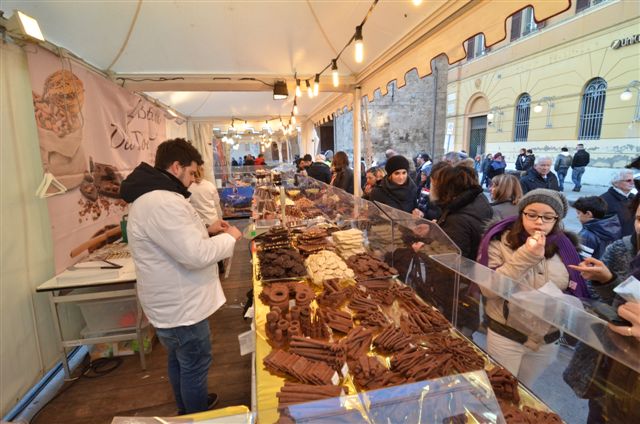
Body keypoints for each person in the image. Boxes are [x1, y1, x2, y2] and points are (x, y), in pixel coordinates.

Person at [120, 138, 242, 415]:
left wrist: (207, 229)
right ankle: (195, 415)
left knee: (180, 361)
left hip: (171, 304)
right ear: (176, 167)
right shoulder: (162, 201)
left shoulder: (155, 197)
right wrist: (230, 238)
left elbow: (176, 241)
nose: (191, 181)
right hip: (182, 307)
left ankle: (187, 407)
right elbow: (195, 255)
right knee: (195, 363)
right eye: (190, 173)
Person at [476, 189, 589, 387]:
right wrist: (527, 255)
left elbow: (575, 291)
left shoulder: (567, 248)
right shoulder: (498, 241)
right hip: (507, 334)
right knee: (500, 389)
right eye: (532, 214)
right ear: (522, 214)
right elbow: (489, 290)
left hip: (547, 339)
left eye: (547, 217)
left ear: (557, 220)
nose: (539, 222)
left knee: (526, 390)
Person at [566, 196, 640, 423]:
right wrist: (607, 281)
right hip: (613, 370)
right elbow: (621, 305)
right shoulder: (626, 250)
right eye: (639, 218)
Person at [430, 162, 493, 260]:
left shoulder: (456, 219)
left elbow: (450, 260)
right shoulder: (479, 200)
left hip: (463, 271)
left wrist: (423, 250)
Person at [600, 169, 636, 237]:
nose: (632, 182)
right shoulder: (603, 200)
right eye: (628, 180)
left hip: (632, 240)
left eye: (633, 180)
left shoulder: (634, 198)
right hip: (616, 244)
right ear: (616, 183)